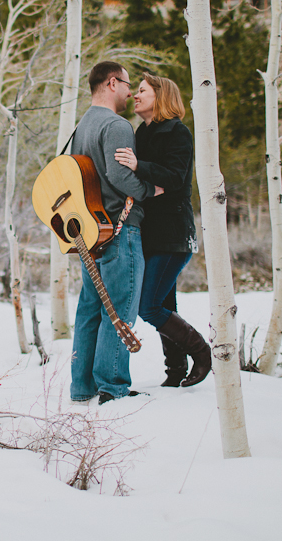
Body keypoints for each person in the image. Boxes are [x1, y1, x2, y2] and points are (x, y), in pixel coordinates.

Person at [69, 61, 162, 405]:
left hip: (89, 232)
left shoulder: (81, 127)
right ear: (111, 83)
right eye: (125, 85)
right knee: (120, 308)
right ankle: (113, 388)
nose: (128, 92)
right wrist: (153, 190)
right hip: (119, 229)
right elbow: (121, 177)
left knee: (91, 308)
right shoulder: (117, 125)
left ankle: (82, 389)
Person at [114, 72, 211, 388]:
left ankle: (202, 352)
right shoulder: (143, 132)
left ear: (161, 96)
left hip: (173, 235)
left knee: (150, 306)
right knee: (165, 305)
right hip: (149, 233)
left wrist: (138, 166)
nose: (135, 96)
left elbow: (174, 177)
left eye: (141, 91)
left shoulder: (177, 132)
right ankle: (175, 372)